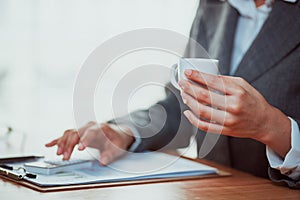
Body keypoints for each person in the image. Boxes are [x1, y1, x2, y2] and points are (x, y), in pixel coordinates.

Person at [46, 0, 300, 188]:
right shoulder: (214, 7)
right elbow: (180, 107)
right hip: (209, 192)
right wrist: (125, 132)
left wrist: (271, 127)